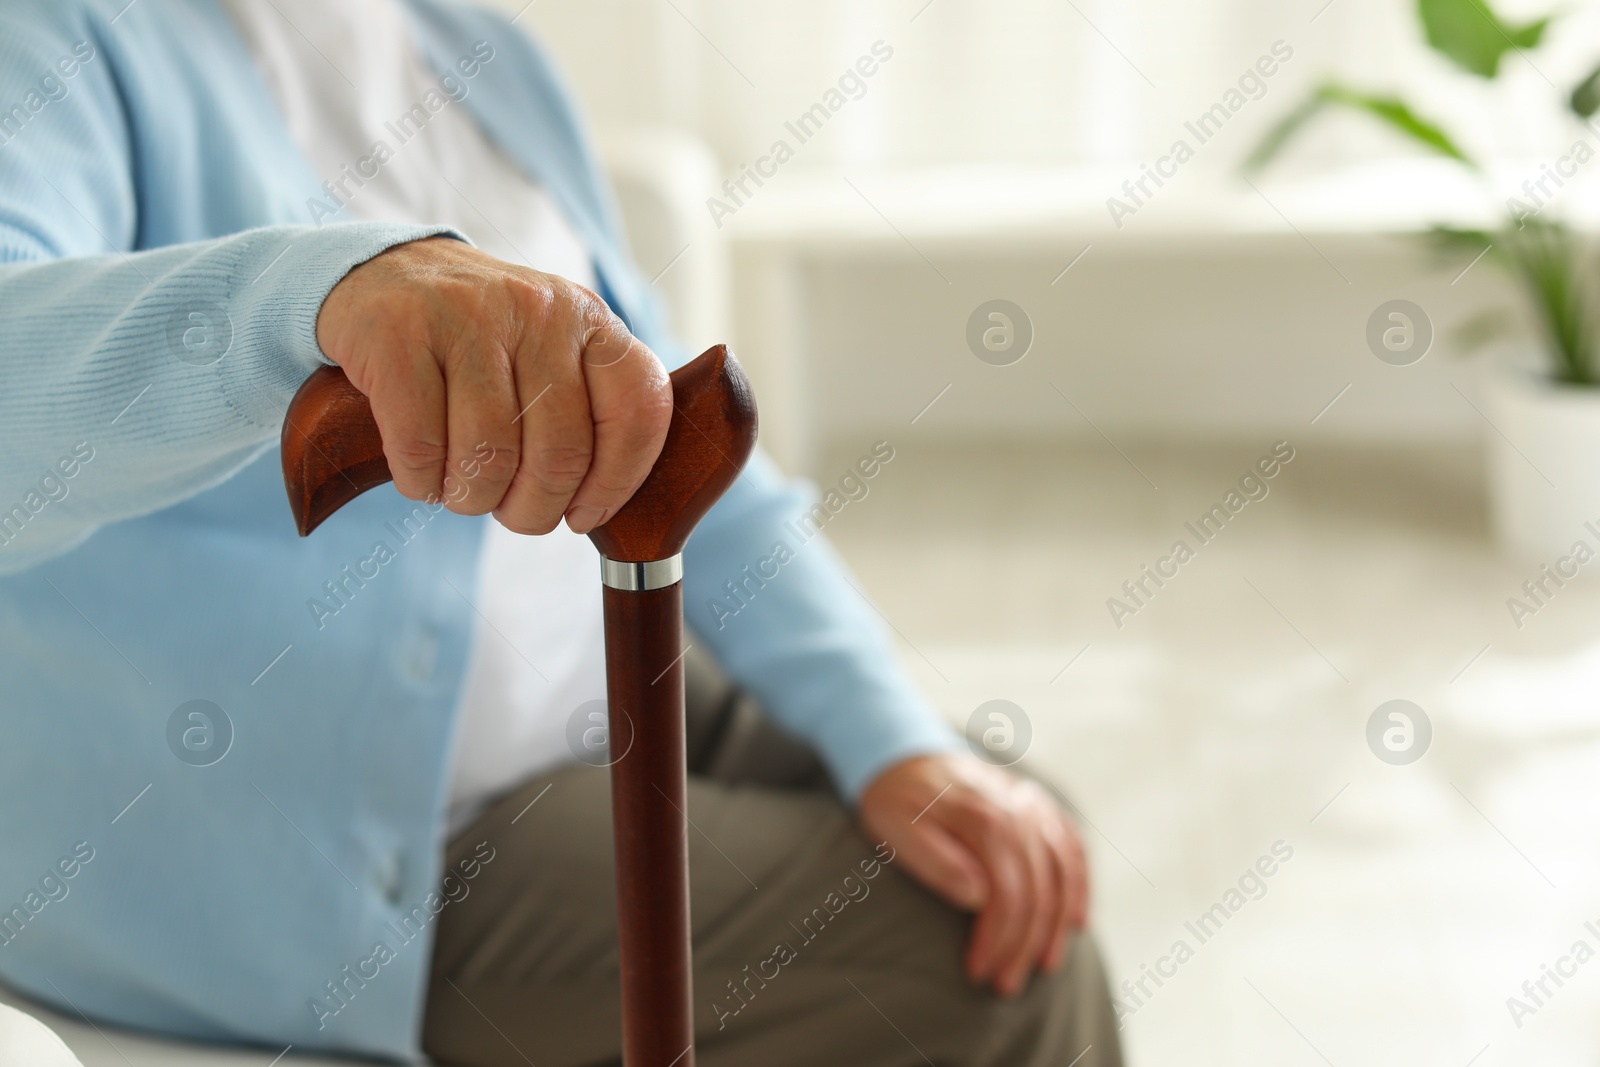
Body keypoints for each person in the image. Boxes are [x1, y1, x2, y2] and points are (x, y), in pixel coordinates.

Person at [0, 1, 1122, 1064]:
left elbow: (671, 442)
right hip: (340, 830)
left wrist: (893, 737)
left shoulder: (472, 50)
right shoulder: (56, 41)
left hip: (605, 663)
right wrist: (325, 291)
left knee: (1019, 840)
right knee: (980, 958)